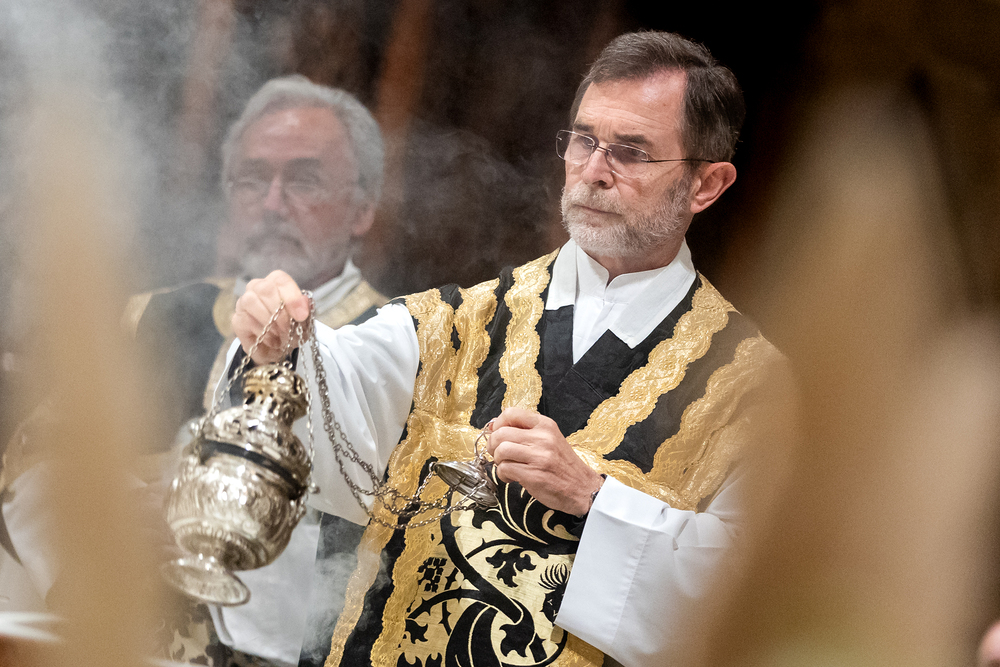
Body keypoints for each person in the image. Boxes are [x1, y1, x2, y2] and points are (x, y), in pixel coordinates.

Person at [233, 31, 788, 667]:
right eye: (584, 140)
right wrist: (282, 340)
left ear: (706, 185)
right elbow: (337, 385)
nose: (594, 172)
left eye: (631, 152)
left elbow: (748, 602)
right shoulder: (455, 322)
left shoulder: (751, 393)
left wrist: (594, 498)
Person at [1, 75, 387, 667]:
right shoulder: (148, 318)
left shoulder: (396, 347)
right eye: (252, 178)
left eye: (303, 179)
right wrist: (105, 526)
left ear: (362, 209)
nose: (272, 203)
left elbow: (400, 541)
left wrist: (217, 534)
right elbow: (39, 456)